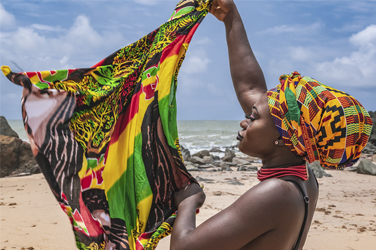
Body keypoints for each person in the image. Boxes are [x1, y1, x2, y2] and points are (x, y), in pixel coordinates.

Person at [170, 0, 372, 250]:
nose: (244, 121)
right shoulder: (303, 176)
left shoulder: (276, 193)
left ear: (284, 137)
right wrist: (231, 16)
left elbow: (183, 247)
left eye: (253, 118)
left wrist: (188, 201)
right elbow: (250, 88)